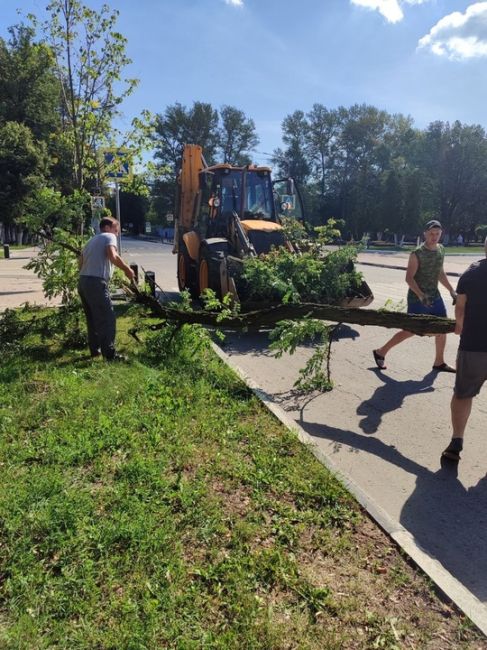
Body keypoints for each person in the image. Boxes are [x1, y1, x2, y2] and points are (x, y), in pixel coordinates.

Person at [373, 220, 457, 372]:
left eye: (437, 234)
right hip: (417, 298)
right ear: (425, 233)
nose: (434, 237)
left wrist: (452, 291)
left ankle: (439, 362)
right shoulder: (417, 253)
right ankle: (380, 352)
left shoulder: (441, 250)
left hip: (435, 296)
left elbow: (440, 272)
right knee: (411, 330)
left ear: (441, 234)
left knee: (442, 328)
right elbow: (409, 278)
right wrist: (420, 295)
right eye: (431, 233)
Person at [441, 238, 487, 462]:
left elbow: (460, 309)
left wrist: (459, 328)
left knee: (463, 394)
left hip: (474, 346)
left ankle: (456, 441)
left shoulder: (470, 274)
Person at [78, 216, 135, 360]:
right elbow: (112, 255)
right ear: (108, 227)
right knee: (107, 318)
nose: (117, 234)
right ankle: (110, 355)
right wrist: (127, 269)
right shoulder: (109, 236)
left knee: (92, 318)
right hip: (96, 283)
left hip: (83, 281)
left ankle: (95, 350)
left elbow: (80, 261)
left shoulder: (91, 240)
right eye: (116, 230)